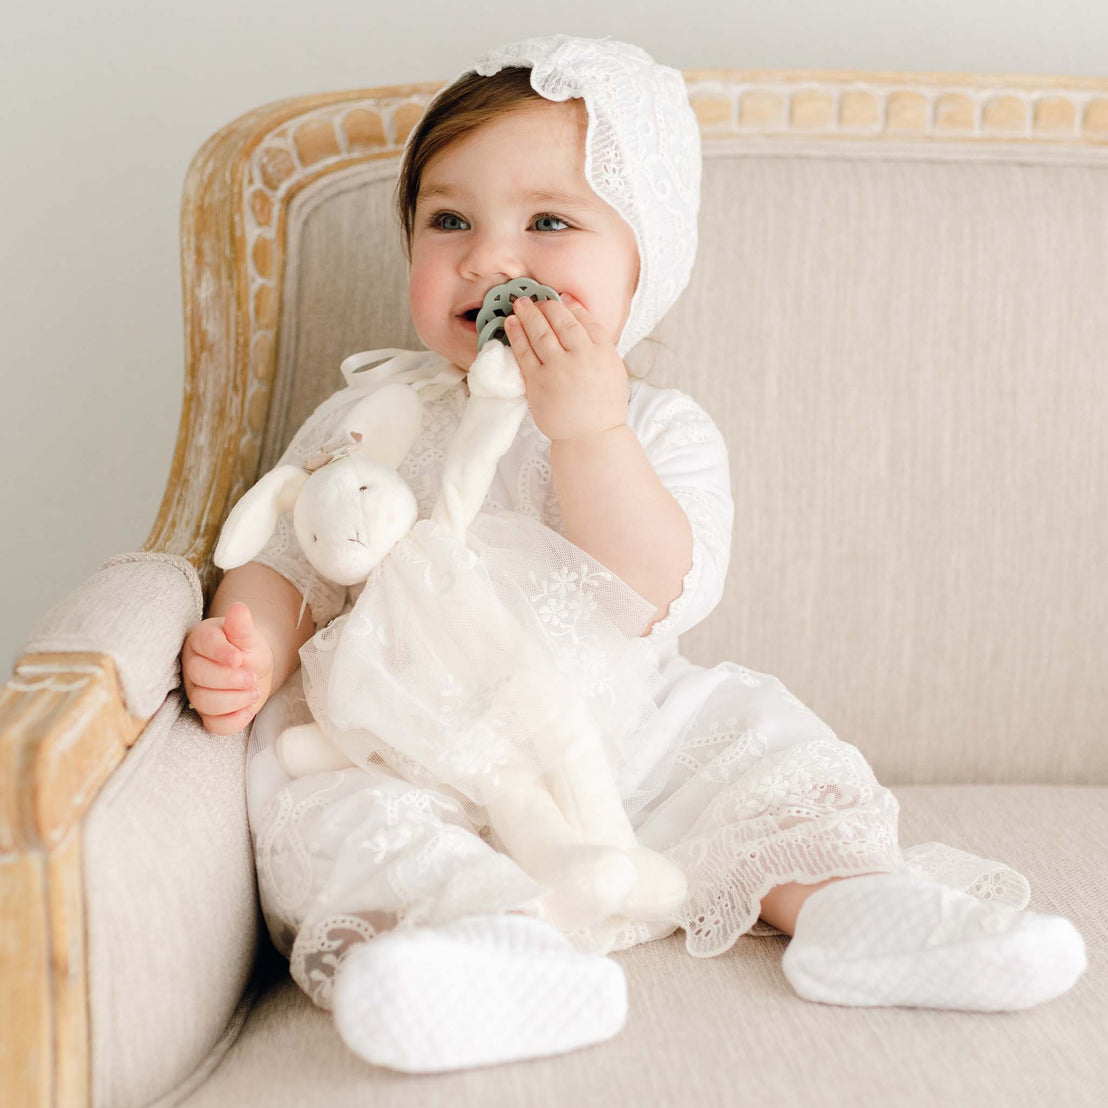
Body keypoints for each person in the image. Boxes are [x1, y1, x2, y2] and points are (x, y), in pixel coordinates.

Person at [180, 35, 1087, 1075]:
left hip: (618, 731)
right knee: (336, 819)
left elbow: (659, 586)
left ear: (643, 265)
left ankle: (854, 907)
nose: (487, 259)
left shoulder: (655, 425)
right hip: (404, 744)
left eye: (549, 222)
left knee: (752, 752)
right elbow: (297, 549)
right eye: (448, 221)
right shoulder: (370, 413)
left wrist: (588, 433)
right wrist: (245, 634)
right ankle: (486, 946)